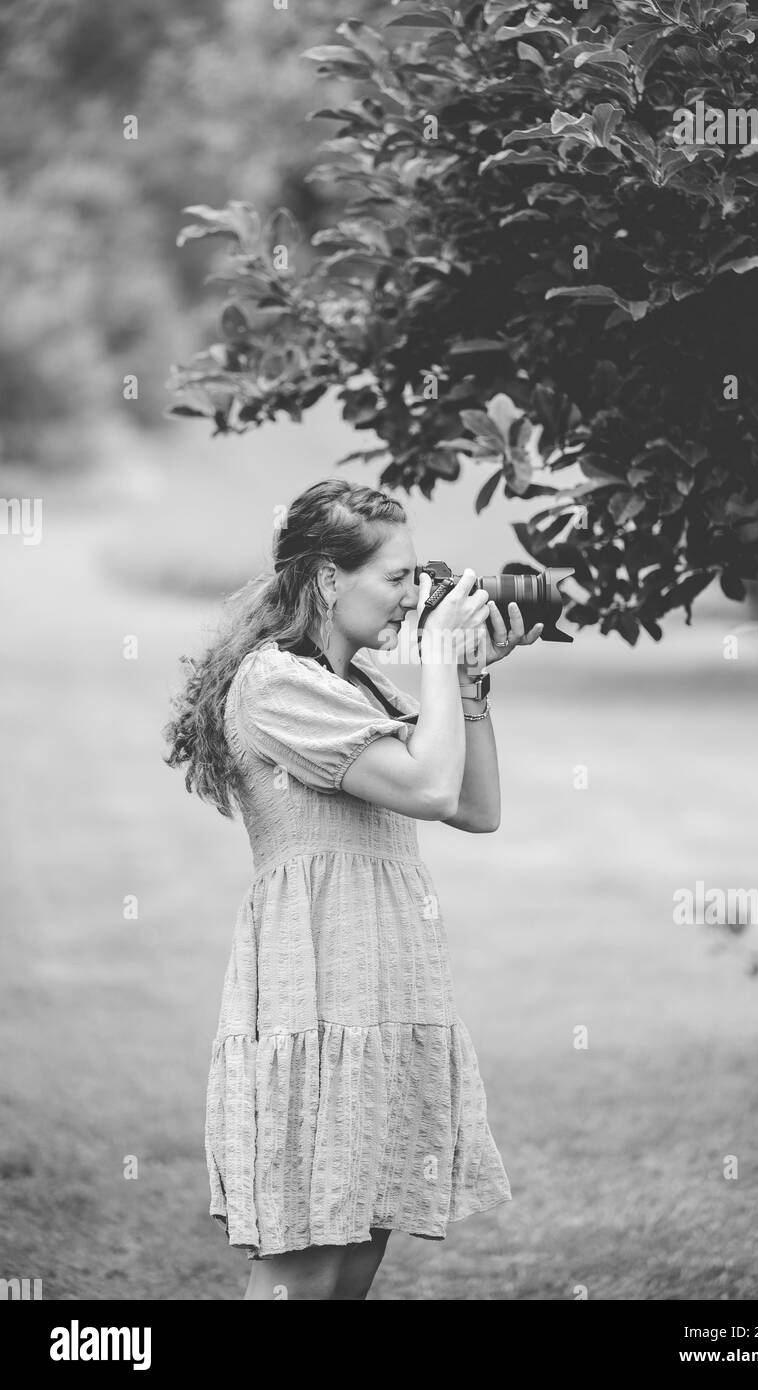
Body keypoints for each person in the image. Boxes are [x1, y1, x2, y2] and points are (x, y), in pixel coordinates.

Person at [164, 478, 542, 1299]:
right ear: (330, 579)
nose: (416, 595)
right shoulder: (274, 685)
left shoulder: (364, 687)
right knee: (302, 1261)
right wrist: (438, 655)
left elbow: (476, 808)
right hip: (315, 989)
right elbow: (429, 788)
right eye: (398, 577)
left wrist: (469, 684)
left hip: (383, 983)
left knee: (353, 1258)